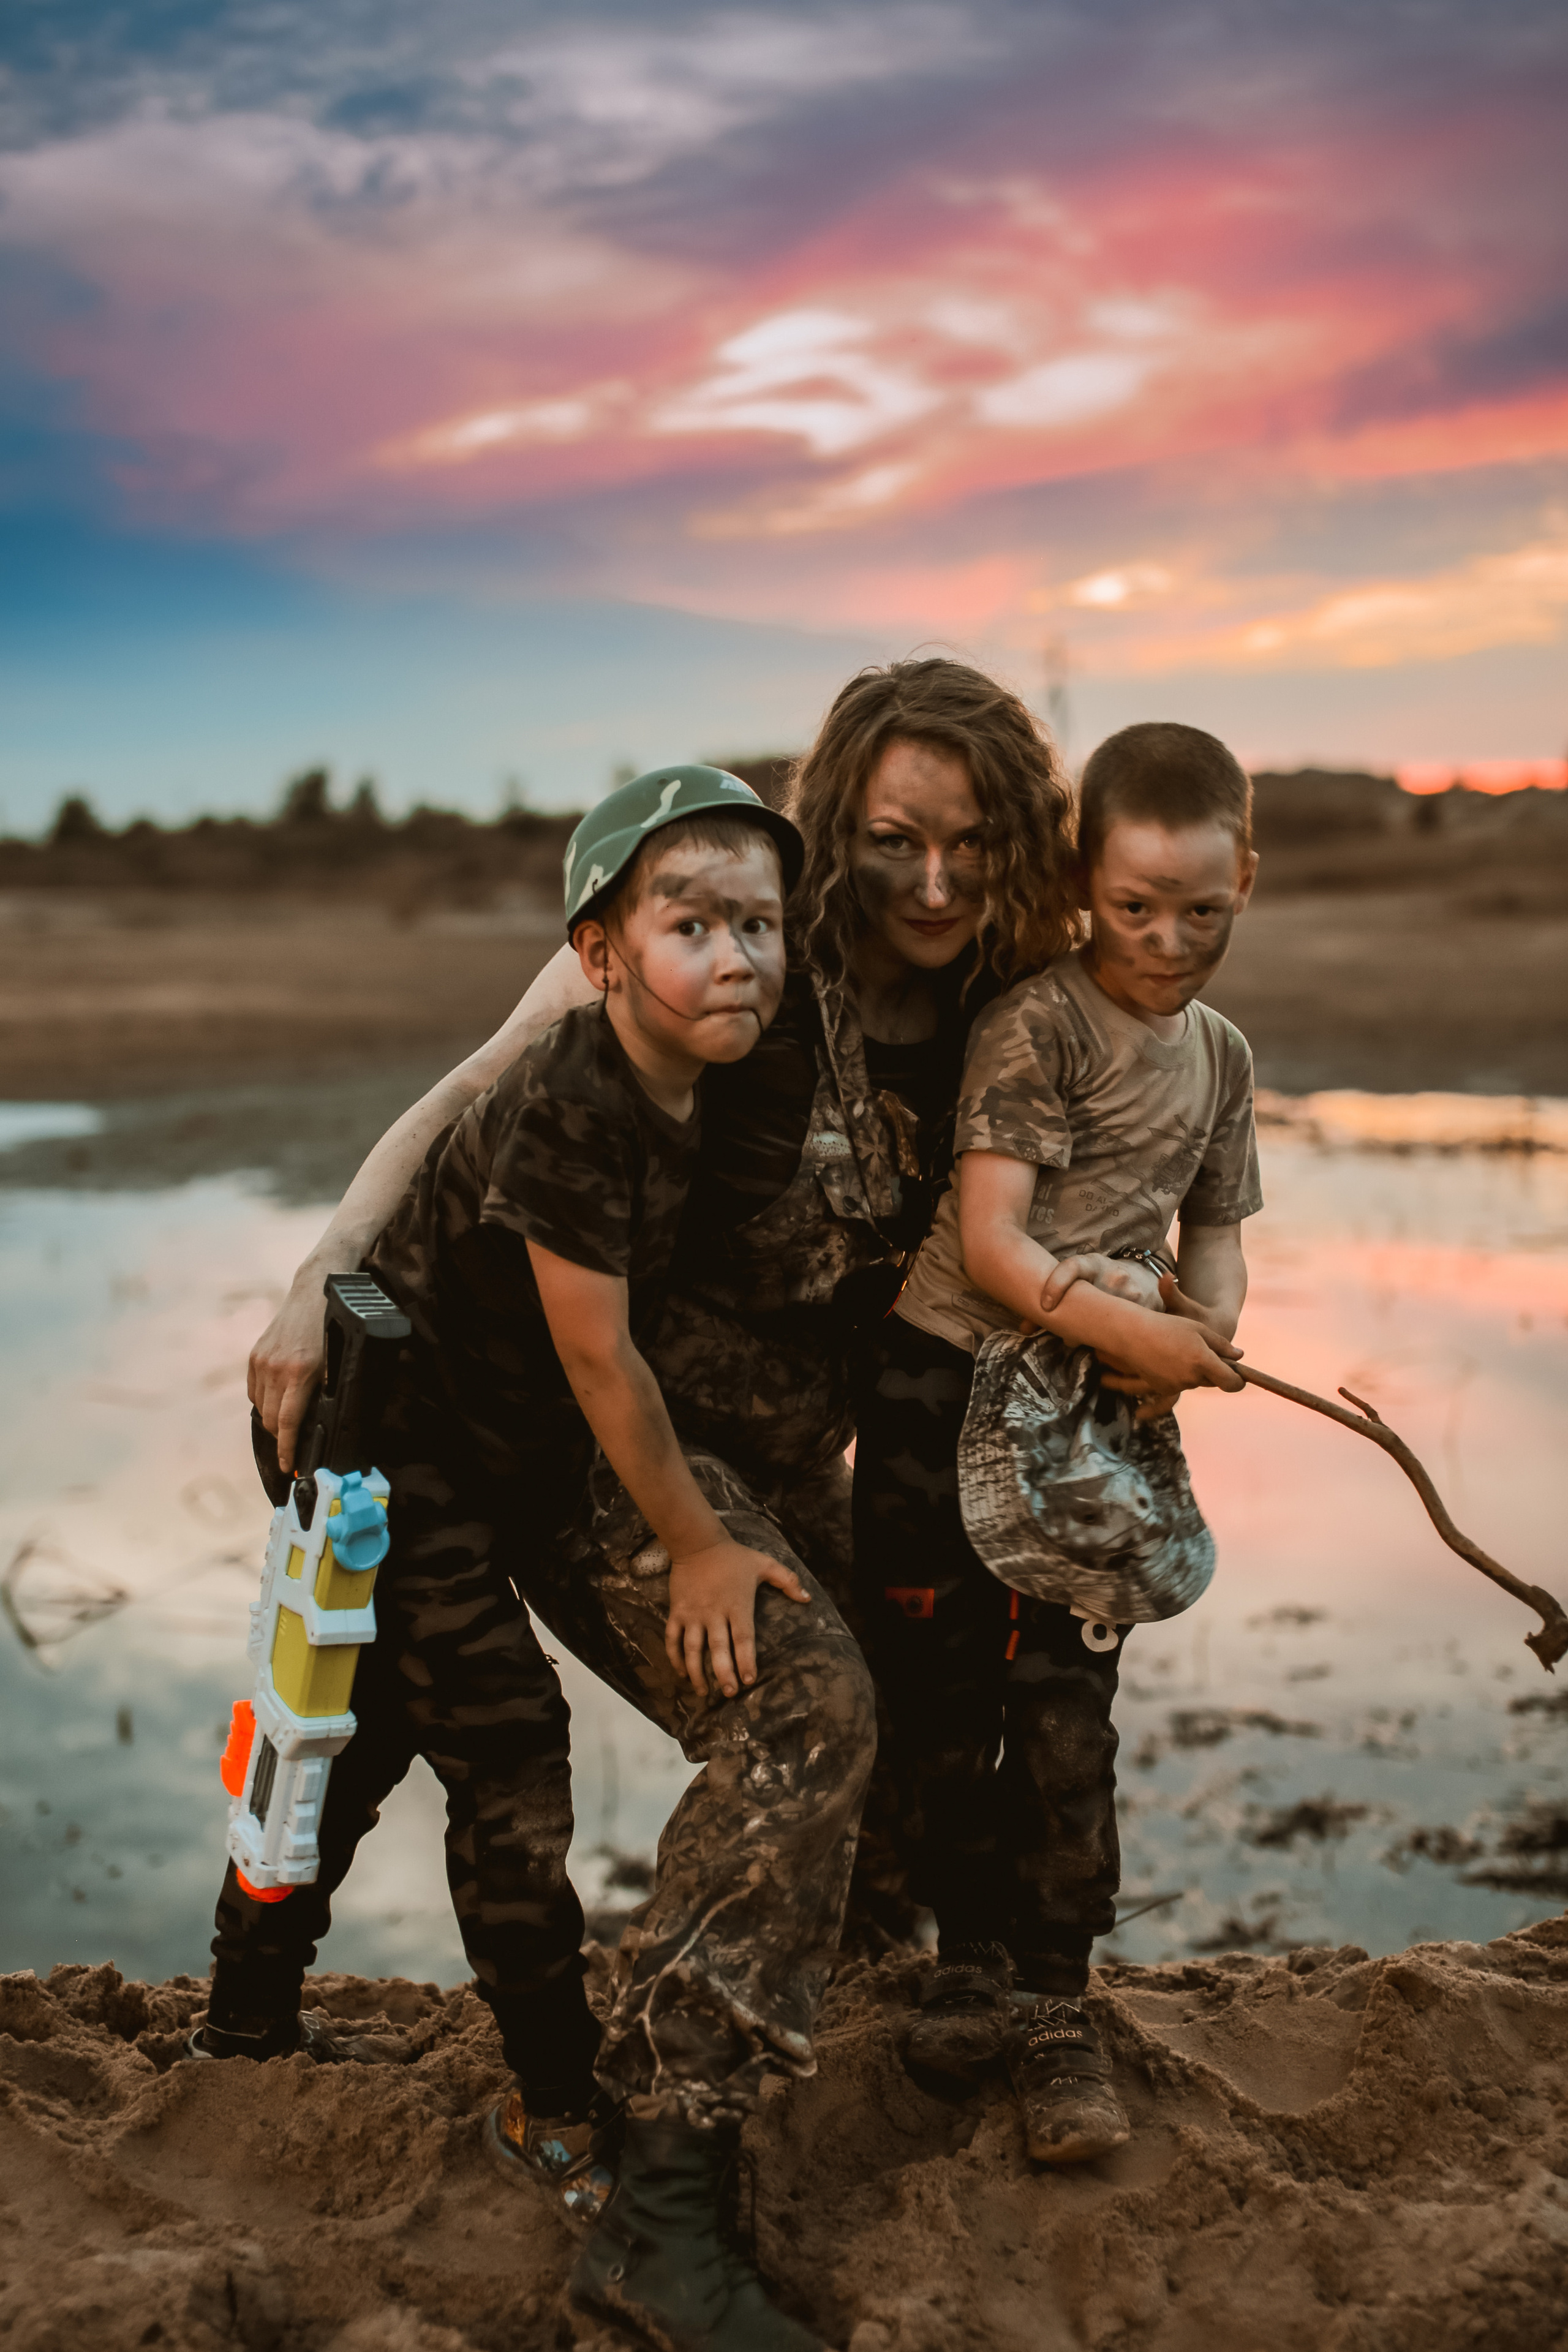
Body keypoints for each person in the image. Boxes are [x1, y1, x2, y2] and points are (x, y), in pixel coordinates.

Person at [196, 766, 804, 2237]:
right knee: (506, 1752)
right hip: (401, 1458)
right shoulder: (575, 1105)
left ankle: (242, 2019)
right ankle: (554, 2100)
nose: (735, 958)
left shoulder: (687, 1088)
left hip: (459, 1451)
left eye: (762, 927)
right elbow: (600, 1363)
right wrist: (697, 1544)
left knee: (368, 1736)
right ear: (597, 959)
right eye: (691, 926)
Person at [851, 720, 1260, 2166]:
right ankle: (958, 1960)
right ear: (1085, 884)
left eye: (1197, 910)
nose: (1165, 939)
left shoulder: (1217, 1057)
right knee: (943, 1698)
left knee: (1065, 1710)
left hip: (1088, 1424)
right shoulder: (1035, 1025)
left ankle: (1051, 2005)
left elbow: (1211, 1236)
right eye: (1135, 907)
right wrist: (1121, 1328)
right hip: (944, 1385)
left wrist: (1196, 1339)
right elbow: (988, 1238)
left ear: (1243, 885)